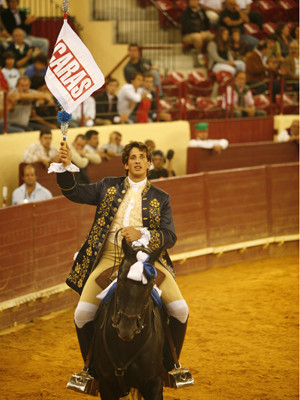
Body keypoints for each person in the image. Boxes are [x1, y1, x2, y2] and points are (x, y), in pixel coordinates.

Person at [55, 140, 191, 382]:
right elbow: (73, 192)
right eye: (132, 157)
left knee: (180, 309)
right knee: (82, 314)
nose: (137, 161)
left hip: (149, 258)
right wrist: (66, 167)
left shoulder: (162, 198)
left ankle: (171, 366)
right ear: (125, 164)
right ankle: (90, 369)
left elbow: (170, 236)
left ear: (149, 163)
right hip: (109, 257)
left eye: (142, 157)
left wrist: (142, 234)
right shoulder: (108, 186)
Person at [180, 0, 214, 65]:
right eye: (192, 1)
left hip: (203, 32)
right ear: (189, 2)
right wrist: (200, 32)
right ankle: (200, 55)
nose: (194, 2)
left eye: (196, 0)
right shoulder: (185, 13)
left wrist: (206, 30)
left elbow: (207, 22)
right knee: (197, 37)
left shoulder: (201, 11)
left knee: (214, 37)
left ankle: (209, 55)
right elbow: (187, 27)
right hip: (188, 34)